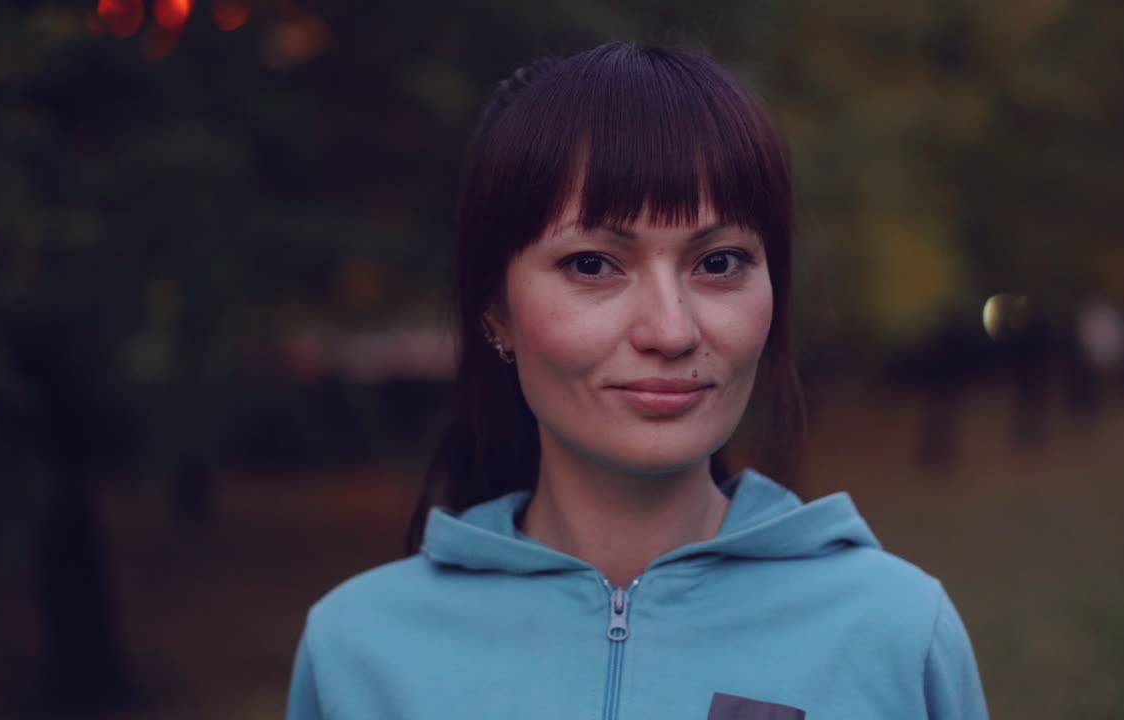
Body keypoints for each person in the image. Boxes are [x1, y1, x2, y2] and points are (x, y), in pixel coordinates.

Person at [287, 43, 988, 720]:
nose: (671, 331)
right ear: (496, 310)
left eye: (719, 263)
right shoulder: (359, 652)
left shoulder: (895, 634)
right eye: (593, 264)